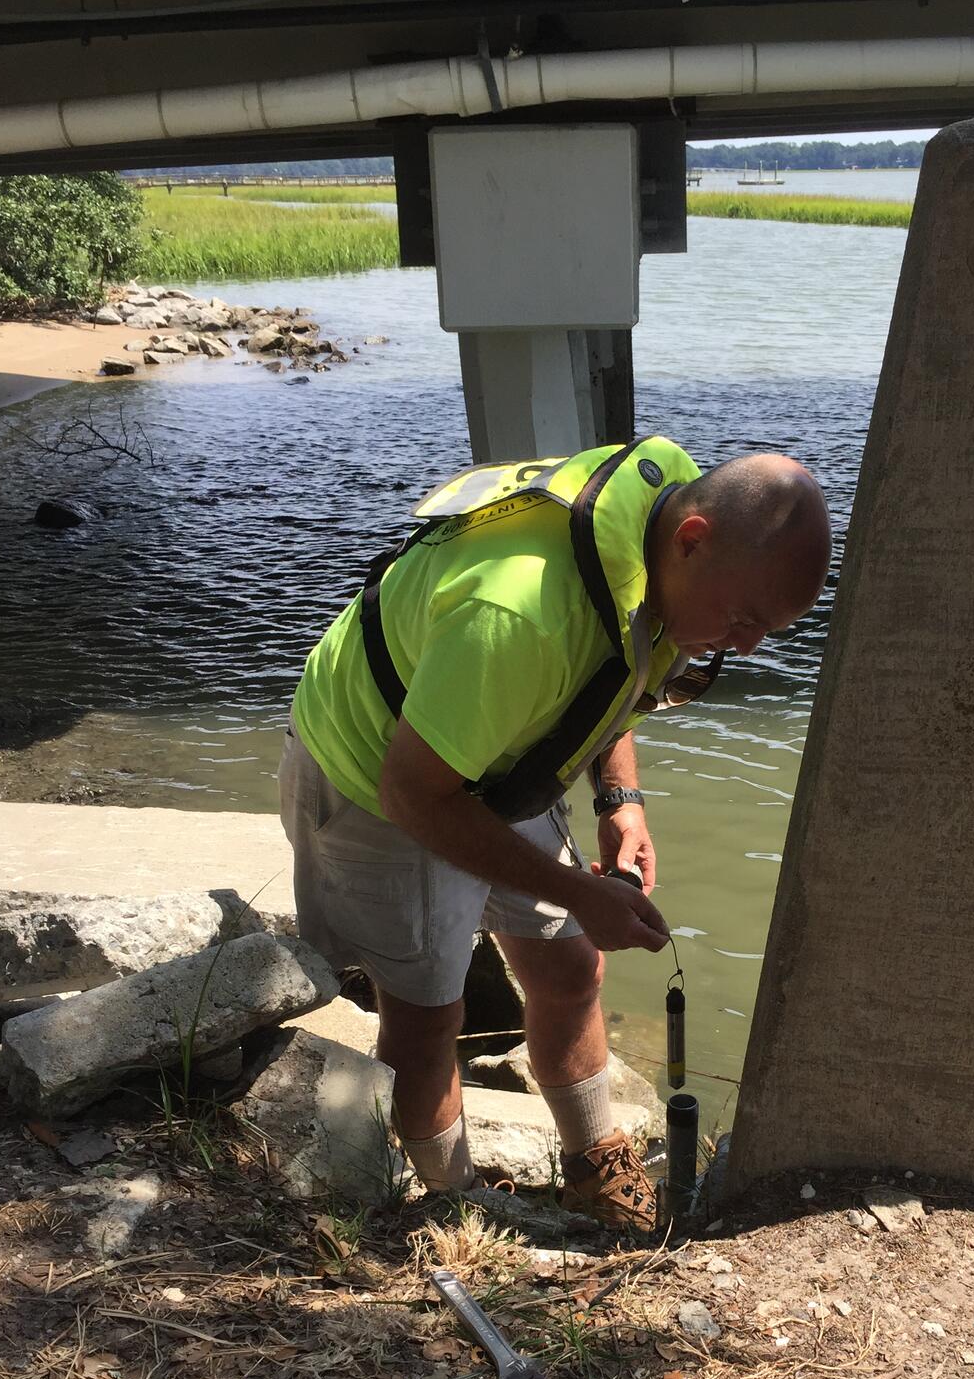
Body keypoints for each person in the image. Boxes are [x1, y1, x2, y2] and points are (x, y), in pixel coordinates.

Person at [280, 434, 831, 1230]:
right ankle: (451, 1206)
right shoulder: (520, 613)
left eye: (765, 631)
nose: (745, 646)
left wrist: (621, 799)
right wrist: (578, 890)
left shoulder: (665, 515)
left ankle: (596, 1164)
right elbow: (415, 793)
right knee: (428, 1017)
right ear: (694, 540)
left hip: (500, 747)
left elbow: (620, 662)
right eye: (744, 619)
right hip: (379, 770)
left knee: (572, 969)